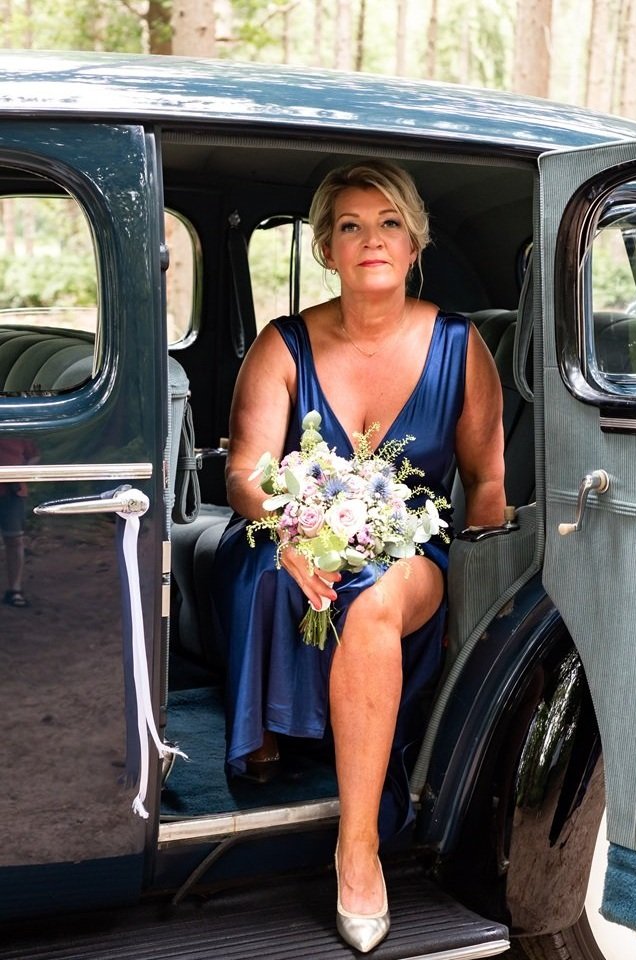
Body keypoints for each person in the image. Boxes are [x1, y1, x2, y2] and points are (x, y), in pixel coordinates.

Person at [211, 159, 505, 953]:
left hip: (414, 558)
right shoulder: (284, 346)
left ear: (414, 245)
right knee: (265, 569)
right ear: (327, 248)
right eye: (350, 226)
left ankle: (361, 845)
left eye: (388, 224)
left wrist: (477, 626)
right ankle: (278, 735)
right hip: (294, 537)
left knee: (375, 599)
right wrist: (290, 526)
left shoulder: (460, 346)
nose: (370, 239)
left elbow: (485, 489)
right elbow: (244, 471)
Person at [0, 437, 39, 608]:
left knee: (15, 540)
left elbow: (34, 456)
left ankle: (14, 590)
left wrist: (21, 473)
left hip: (12, 492)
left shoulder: (18, 429)